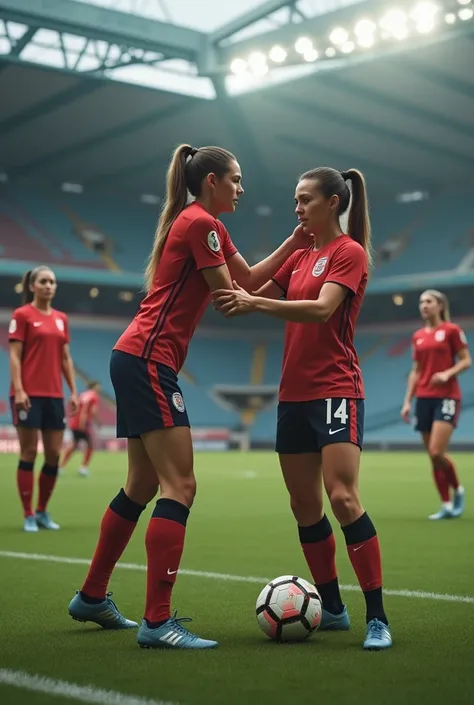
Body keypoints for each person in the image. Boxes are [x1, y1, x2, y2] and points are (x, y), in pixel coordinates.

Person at [68, 144, 313, 649]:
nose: (242, 188)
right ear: (211, 183)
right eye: (236, 180)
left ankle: (92, 595)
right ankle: (156, 622)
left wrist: (292, 243)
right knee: (180, 486)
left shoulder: (208, 225)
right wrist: (295, 305)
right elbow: (231, 298)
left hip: (138, 356)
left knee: (140, 484)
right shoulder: (199, 223)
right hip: (148, 360)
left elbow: (244, 279)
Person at [213, 167, 392, 651]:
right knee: (304, 506)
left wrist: (254, 304)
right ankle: (333, 609)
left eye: (305, 200)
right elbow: (253, 285)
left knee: (342, 498)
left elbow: (319, 310)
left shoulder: (347, 252)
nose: (298, 208)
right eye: (295, 200)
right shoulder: (303, 254)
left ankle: (377, 617)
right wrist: (250, 273)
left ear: (333, 202)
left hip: (336, 390)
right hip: (292, 395)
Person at [9, 265, 78, 532]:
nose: (49, 285)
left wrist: (73, 392)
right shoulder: (22, 315)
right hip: (28, 394)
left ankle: (42, 511)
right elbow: (15, 355)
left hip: (54, 395)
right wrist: (19, 389)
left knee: (52, 456)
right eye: (43, 281)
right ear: (32, 286)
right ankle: (27, 514)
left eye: (52, 282)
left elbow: (65, 358)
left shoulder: (61, 318)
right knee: (28, 453)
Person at [401, 290, 471, 520]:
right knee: (432, 457)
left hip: (447, 396)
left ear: (440, 305)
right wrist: (407, 402)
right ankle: (446, 504)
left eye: (429, 301)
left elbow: (466, 360)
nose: (424, 305)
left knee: (436, 451)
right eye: (421, 302)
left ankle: (458, 490)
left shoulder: (451, 331)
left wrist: (447, 373)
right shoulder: (418, 336)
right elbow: (416, 370)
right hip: (423, 397)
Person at [61, 381, 101, 477]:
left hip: (74, 423)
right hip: (83, 424)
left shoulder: (83, 395)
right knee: (90, 445)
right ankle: (83, 468)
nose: (100, 389)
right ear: (94, 387)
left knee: (74, 444)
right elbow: (91, 411)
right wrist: (98, 422)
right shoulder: (93, 396)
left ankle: (60, 467)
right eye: (98, 387)